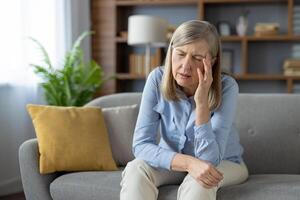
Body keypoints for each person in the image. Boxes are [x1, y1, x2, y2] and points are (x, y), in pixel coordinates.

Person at [120, 20, 248, 200]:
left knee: (201, 180)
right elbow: (141, 145)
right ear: (171, 51)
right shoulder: (157, 79)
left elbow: (210, 160)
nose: (185, 65)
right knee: (136, 168)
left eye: (197, 58)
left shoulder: (227, 87)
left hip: (226, 163)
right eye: (180, 54)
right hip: (174, 162)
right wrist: (188, 163)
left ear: (211, 61)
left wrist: (202, 103)